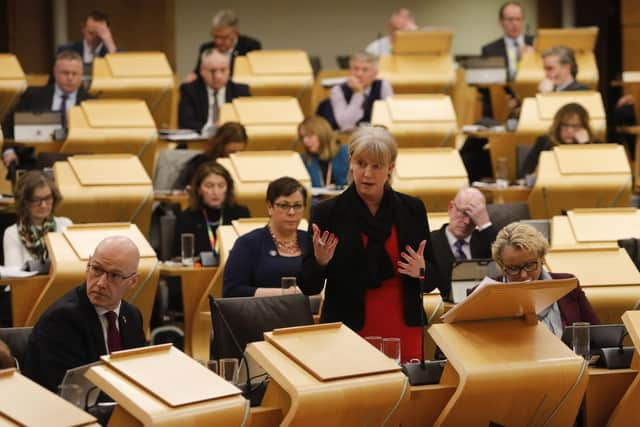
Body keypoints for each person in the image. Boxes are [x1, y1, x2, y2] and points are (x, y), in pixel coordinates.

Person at [298, 126, 442, 363]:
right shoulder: (327, 213)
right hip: (348, 330)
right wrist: (320, 262)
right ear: (350, 162)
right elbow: (308, 286)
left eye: (376, 166)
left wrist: (422, 271)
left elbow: (435, 278)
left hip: (403, 327)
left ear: (390, 169)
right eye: (361, 163)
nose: (367, 173)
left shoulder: (412, 209)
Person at [23, 236, 146, 392]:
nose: (101, 283)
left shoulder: (133, 316)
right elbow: (72, 392)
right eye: (97, 269)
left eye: (114, 275)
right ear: (88, 265)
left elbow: (141, 374)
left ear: (133, 281)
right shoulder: (62, 320)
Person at [489, 222, 599, 335]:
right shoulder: (486, 294)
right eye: (513, 268)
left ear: (542, 258)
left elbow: (596, 334)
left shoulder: (567, 284)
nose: (523, 275)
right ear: (501, 266)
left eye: (530, 265)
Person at [1, 50, 92, 174]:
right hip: (33, 161)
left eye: (75, 74)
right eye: (65, 73)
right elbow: (7, 125)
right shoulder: (32, 95)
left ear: (81, 75)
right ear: (55, 73)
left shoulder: (91, 103)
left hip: (77, 163)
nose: (70, 78)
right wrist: (8, 151)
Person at [223, 177, 308, 297]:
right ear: (270, 207)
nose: (292, 212)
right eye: (284, 205)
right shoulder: (248, 243)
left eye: (298, 206)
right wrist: (286, 294)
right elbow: (231, 291)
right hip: (261, 313)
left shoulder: (311, 241)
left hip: (310, 313)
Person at [429, 188, 496, 301]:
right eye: (464, 213)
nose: (467, 222)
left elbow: (505, 262)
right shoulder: (431, 242)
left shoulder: (485, 240)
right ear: (451, 208)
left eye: (474, 216)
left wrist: (485, 224)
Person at [174, 162, 250, 258]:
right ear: (199, 189)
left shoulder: (240, 214)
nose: (215, 192)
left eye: (221, 186)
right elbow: (178, 257)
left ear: (228, 188)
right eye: (209, 186)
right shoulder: (186, 218)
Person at [4, 171, 72, 269]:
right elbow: (14, 276)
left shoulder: (66, 225)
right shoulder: (12, 233)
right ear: (25, 202)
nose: (43, 205)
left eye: (48, 198)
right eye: (36, 200)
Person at [178, 49, 251, 135]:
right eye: (213, 71)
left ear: (229, 71)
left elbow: (247, 121)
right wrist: (210, 129)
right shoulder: (189, 90)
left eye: (223, 70)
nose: (218, 76)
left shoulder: (241, 91)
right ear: (202, 71)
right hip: (200, 140)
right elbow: (185, 122)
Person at [317, 52, 393, 131]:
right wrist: (358, 93)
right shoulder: (338, 90)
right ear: (349, 72)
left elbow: (390, 118)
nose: (359, 74)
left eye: (365, 70)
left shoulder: (383, 86)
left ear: (375, 74)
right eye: (355, 69)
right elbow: (346, 125)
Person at [520, 102, 597, 177]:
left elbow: (597, 177)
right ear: (557, 126)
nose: (569, 131)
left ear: (584, 127)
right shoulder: (544, 143)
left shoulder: (596, 145)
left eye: (575, 126)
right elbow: (525, 175)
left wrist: (586, 146)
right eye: (565, 125)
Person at [186, 9, 261, 82]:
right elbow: (198, 74)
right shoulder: (206, 48)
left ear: (235, 33)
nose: (218, 42)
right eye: (215, 36)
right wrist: (192, 77)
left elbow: (255, 76)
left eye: (223, 37)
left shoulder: (250, 46)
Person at [173, 122, 247, 190]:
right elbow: (180, 189)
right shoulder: (199, 163)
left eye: (239, 152)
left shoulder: (245, 166)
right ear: (221, 146)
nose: (234, 156)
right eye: (231, 152)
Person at [482, 2, 534, 81]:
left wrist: (531, 57)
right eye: (510, 19)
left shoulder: (536, 43)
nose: (515, 23)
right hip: (503, 92)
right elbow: (487, 80)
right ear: (500, 22)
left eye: (518, 19)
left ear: (523, 21)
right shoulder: (489, 50)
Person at [297, 117, 349, 188]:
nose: (305, 141)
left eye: (309, 136)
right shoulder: (303, 159)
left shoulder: (345, 153)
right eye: (302, 137)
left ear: (322, 134)